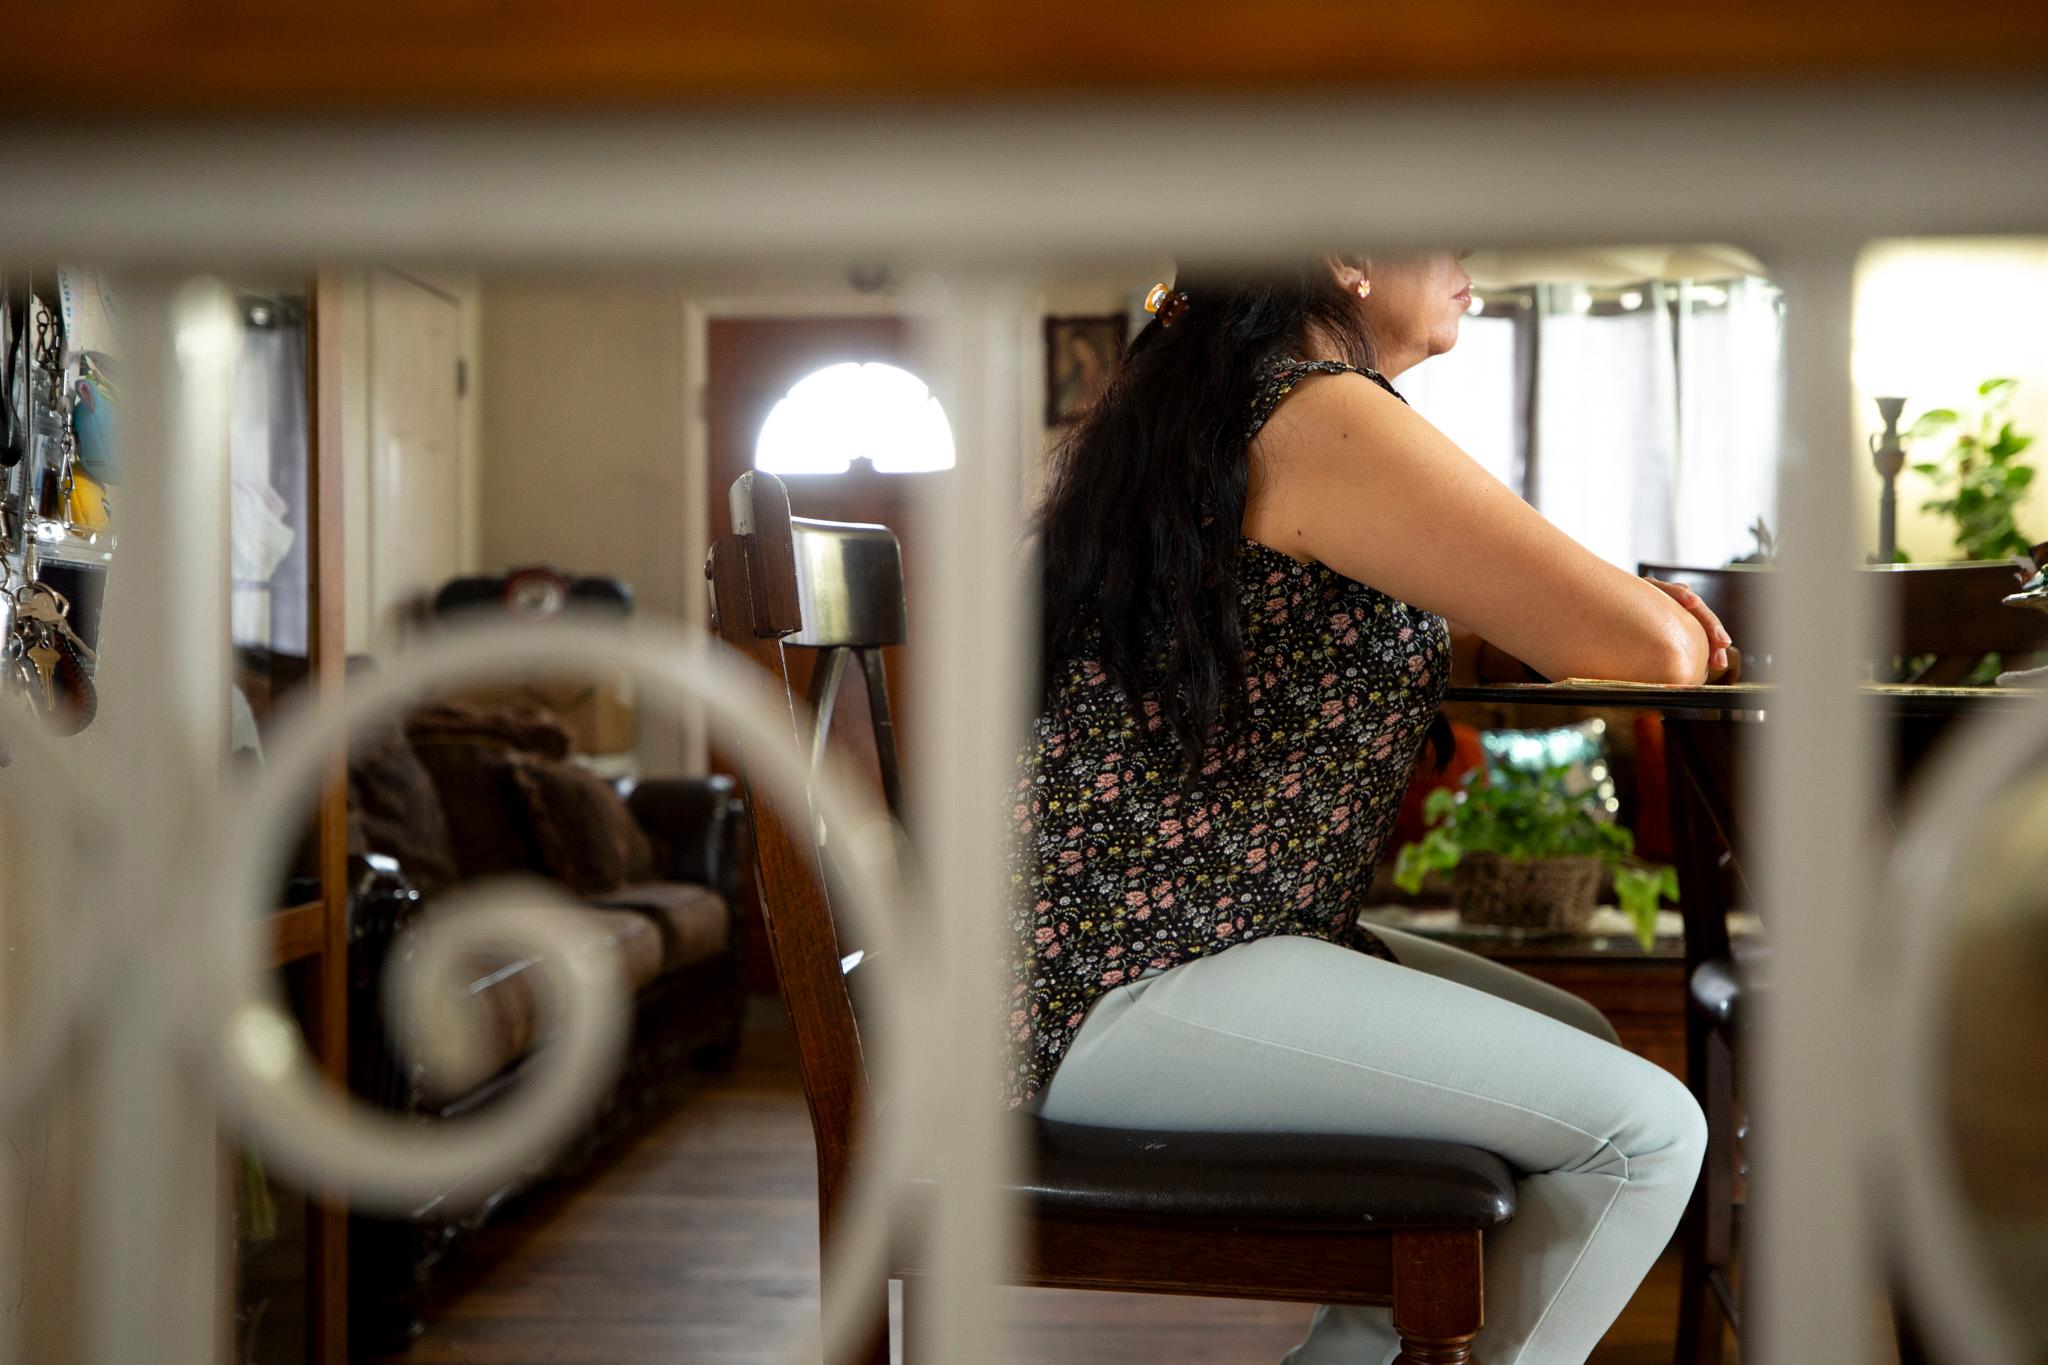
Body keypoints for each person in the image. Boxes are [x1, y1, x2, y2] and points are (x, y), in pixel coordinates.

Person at [1006, 252, 1729, 1364]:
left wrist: (1612, 626)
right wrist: (1652, 622)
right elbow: (1647, 648)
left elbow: (1457, 624)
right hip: (1122, 989)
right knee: (1640, 1137)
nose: (1469, 263)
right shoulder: (1315, 413)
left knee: (1580, 1047)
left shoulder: (1235, 400)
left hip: (1118, 963)